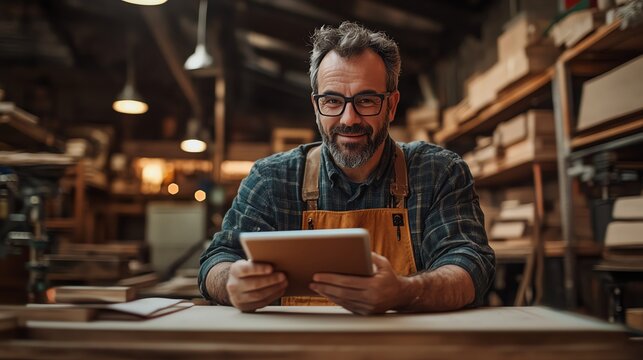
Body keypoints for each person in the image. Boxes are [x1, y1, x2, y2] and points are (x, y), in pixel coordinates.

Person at [199, 21, 495, 315]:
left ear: (391, 106)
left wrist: (404, 292)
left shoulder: (438, 172)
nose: (349, 118)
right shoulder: (272, 179)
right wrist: (231, 283)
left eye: (366, 100)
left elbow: (470, 265)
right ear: (316, 107)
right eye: (332, 101)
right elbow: (216, 260)